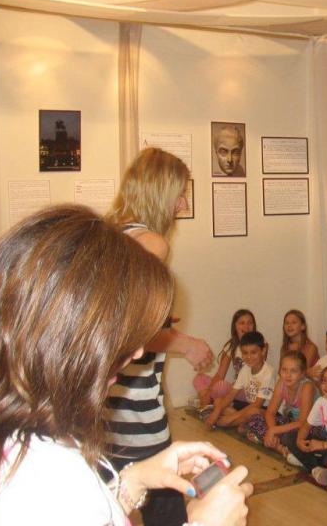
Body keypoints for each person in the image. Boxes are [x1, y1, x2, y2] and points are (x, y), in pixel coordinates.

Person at [0, 205, 251, 525]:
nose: (137, 351)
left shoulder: (13, 433)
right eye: (119, 335)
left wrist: (135, 481)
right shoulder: (44, 478)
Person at [104, 148, 214, 526]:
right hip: (135, 408)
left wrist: (163, 321)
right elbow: (129, 328)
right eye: (179, 194)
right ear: (159, 192)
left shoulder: (111, 233)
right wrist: (186, 343)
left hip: (106, 409)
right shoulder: (152, 242)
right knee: (168, 509)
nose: (183, 204)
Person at [242, 350, 315, 458]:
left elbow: (303, 423)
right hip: (288, 423)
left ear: (302, 373)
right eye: (284, 370)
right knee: (254, 418)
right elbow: (270, 413)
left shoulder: (307, 387)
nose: (288, 375)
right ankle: (280, 448)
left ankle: (273, 443)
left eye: (293, 371)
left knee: (292, 438)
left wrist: (274, 430)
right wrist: (273, 432)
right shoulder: (281, 383)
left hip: (307, 428)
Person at [204, 331, 275, 429]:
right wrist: (216, 412)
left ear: (263, 351)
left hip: (263, 410)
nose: (249, 357)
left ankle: (228, 423)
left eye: (253, 352)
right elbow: (232, 394)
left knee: (253, 412)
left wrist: (231, 418)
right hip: (248, 405)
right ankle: (241, 422)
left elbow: (258, 404)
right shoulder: (245, 368)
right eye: (245, 353)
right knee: (218, 402)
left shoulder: (269, 372)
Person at [194, 309, 257, 407]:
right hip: (235, 387)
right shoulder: (231, 346)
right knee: (199, 378)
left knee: (221, 386)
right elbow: (220, 374)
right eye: (242, 323)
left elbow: (258, 373)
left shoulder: (259, 345)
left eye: (250, 323)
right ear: (235, 326)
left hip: (249, 390)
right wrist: (209, 391)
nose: (246, 326)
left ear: (254, 326)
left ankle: (211, 404)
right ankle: (208, 402)